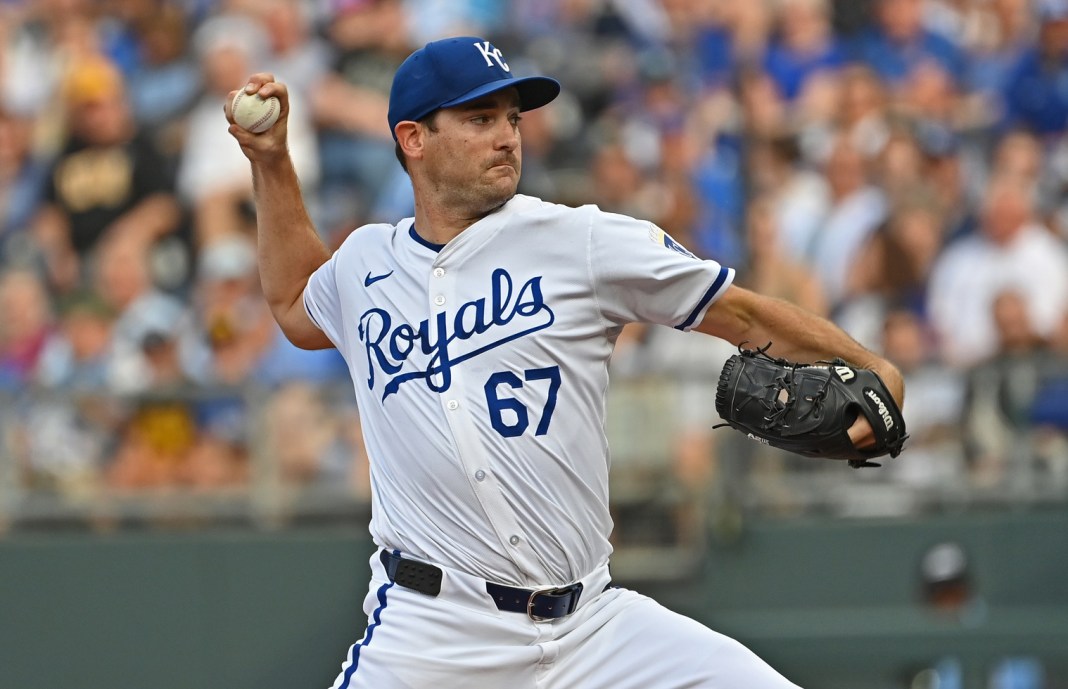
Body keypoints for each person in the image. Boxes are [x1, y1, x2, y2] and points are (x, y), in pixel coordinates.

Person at [225, 36, 905, 689]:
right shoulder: (366, 264)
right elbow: (292, 301)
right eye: (480, 117)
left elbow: (746, 315)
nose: (507, 135)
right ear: (413, 138)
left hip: (592, 629)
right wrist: (271, 162)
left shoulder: (579, 241)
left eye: (513, 117)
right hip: (432, 634)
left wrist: (874, 364)